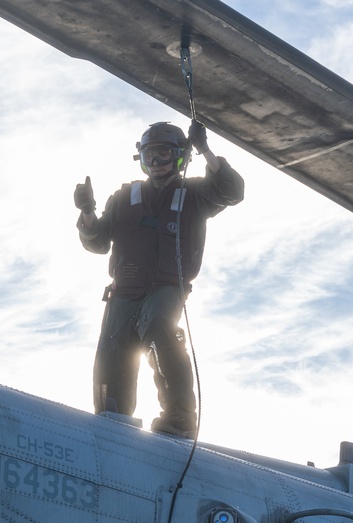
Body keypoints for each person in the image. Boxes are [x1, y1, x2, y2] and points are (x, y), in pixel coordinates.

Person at [75, 119, 244, 438]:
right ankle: (110, 419)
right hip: (122, 294)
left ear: (180, 156)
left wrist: (205, 149)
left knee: (158, 329)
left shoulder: (195, 194)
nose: (155, 163)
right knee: (112, 350)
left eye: (164, 154)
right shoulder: (124, 198)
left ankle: (179, 417)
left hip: (166, 290)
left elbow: (232, 192)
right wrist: (87, 211)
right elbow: (96, 241)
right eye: (149, 156)